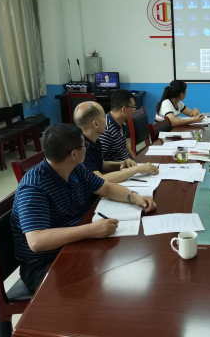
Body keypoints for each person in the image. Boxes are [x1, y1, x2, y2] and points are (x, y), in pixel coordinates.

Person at [11, 124, 157, 293]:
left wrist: (134, 197)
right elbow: (37, 241)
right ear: (74, 154)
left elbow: (106, 187)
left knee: (124, 262)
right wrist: (91, 230)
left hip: (75, 244)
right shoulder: (34, 187)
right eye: (84, 145)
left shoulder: (76, 169)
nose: (86, 148)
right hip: (46, 263)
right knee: (106, 287)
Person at [74, 101, 159, 183]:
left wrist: (121, 164)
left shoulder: (94, 140)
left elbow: (99, 165)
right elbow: (100, 180)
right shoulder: (81, 148)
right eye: (104, 117)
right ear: (95, 124)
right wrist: (136, 169)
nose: (106, 119)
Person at [99, 89, 137, 162]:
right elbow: (100, 163)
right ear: (124, 109)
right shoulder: (106, 130)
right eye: (133, 107)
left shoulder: (120, 122)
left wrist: (135, 159)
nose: (134, 109)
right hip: (118, 167)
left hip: (127, 163)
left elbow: (123, 144)